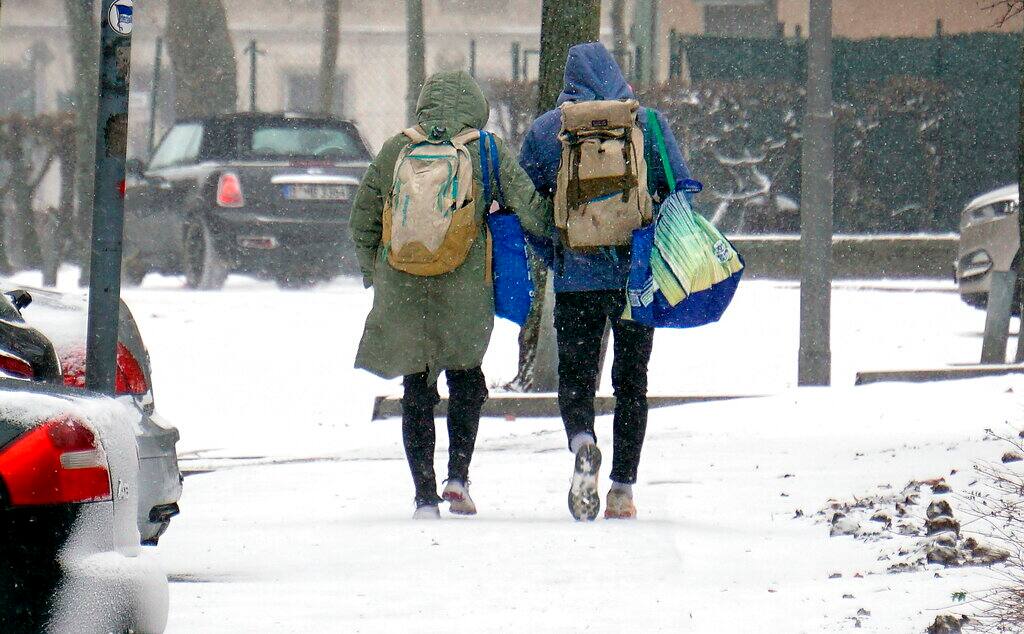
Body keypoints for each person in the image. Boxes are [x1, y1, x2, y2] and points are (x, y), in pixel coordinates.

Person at [350, 71, 550, 519]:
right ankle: (457, 478)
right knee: (465, 379)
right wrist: (563, 236)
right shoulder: (487, 151)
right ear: (475, 106)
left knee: (416, 386)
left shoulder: (396, 149)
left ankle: (423, 496)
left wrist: (376, 274)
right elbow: (530, 208)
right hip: (465, 287)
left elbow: (361, 217)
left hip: (403, 285)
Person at [519, 42, 693, 521]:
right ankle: (622, 490)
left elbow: (527, 208)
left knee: (576, 377)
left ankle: (583, 442)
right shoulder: (647, 124)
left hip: (576, 277)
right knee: (631, 382)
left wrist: (554, 254)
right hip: (636, 278)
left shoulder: (547, 131)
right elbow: (680, 194)